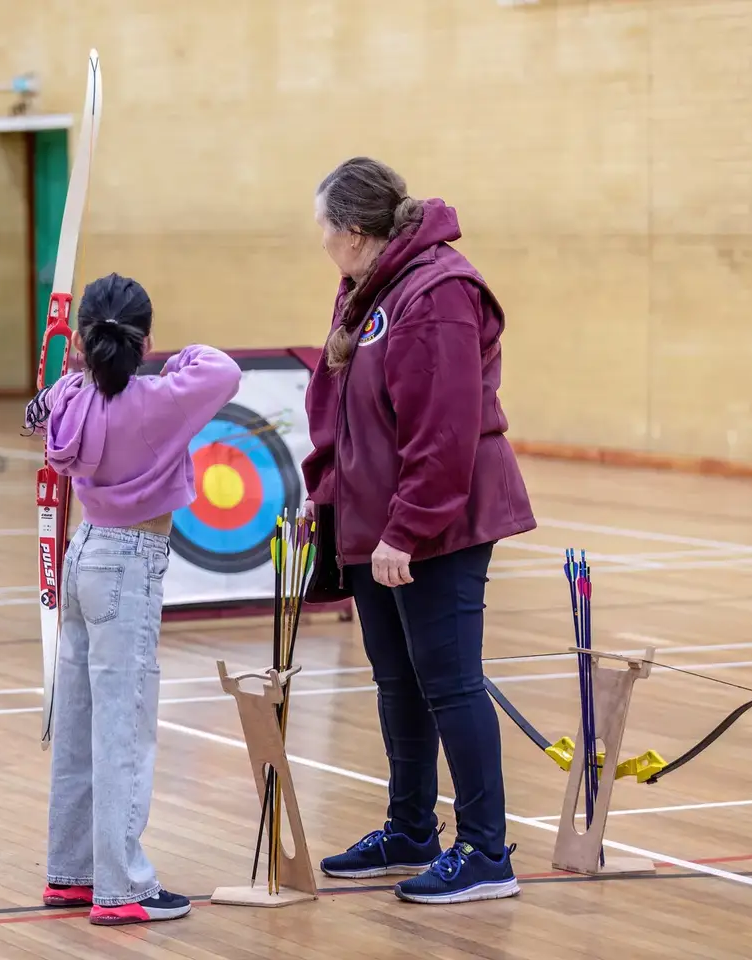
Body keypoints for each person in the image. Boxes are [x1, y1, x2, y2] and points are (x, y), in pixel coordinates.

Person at [299, 157, 536, 904]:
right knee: (397, 680)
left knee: (449, 681)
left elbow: (443, 431)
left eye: (326, 230)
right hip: (379, 522)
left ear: (358, 232)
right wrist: (331, 494)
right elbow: (354, 414)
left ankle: (486, 852)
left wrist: (407, 530)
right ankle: (409, 830)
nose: (324, 242)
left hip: (439, 523)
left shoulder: (434, 295)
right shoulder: (370, 289)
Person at [24, 272, 241, 925]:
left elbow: (33, 415)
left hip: (86, 555)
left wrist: (70, 374)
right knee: (122, 726)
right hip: (129, 565)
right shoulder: (159, 400)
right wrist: (166, 357)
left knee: (81, 726)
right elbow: (221, 369)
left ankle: (73, 873)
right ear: (142, 339)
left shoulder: (71, 397)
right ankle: (122, 888)